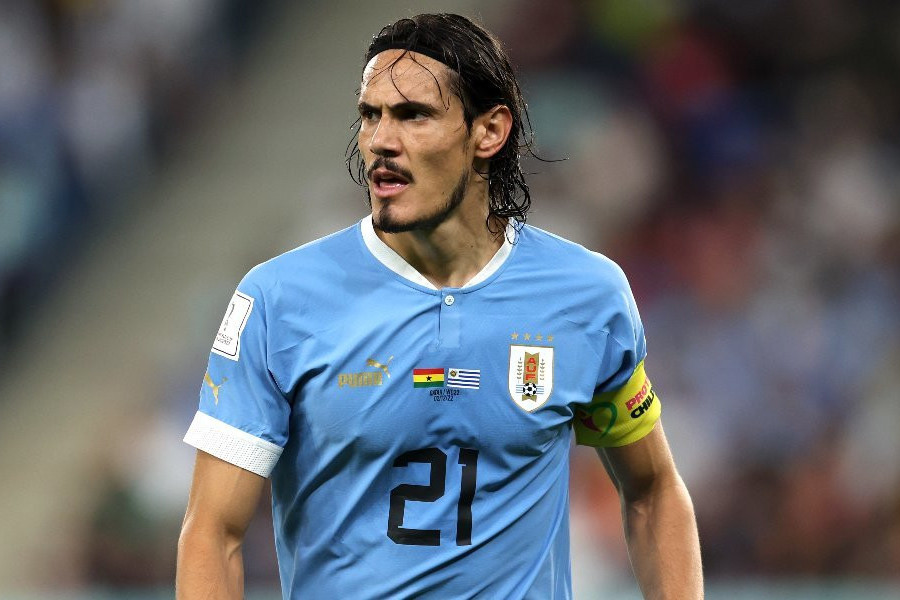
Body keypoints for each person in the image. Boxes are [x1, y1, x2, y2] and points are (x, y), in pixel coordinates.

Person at [176, 13, 702, 600]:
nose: (381, 140)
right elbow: (213, 533)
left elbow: (653, 492)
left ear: (489, 132)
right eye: (371, 115)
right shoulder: (279, 300)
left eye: (413, 115)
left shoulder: (586, 296)